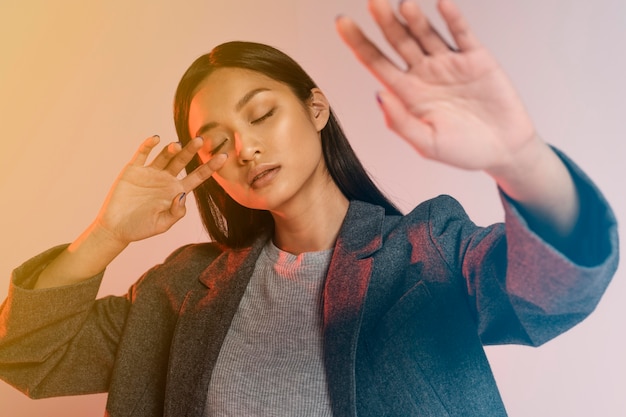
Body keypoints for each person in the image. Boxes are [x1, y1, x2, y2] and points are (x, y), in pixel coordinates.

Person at [0, 0, 618, 416]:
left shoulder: (426, 248)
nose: (245, 149)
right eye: (215, 143)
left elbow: (555, 291)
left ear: (316, 110)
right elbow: (30, 353)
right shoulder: (178, 290)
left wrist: (521, 160)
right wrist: (106, 235)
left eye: (262, 113)